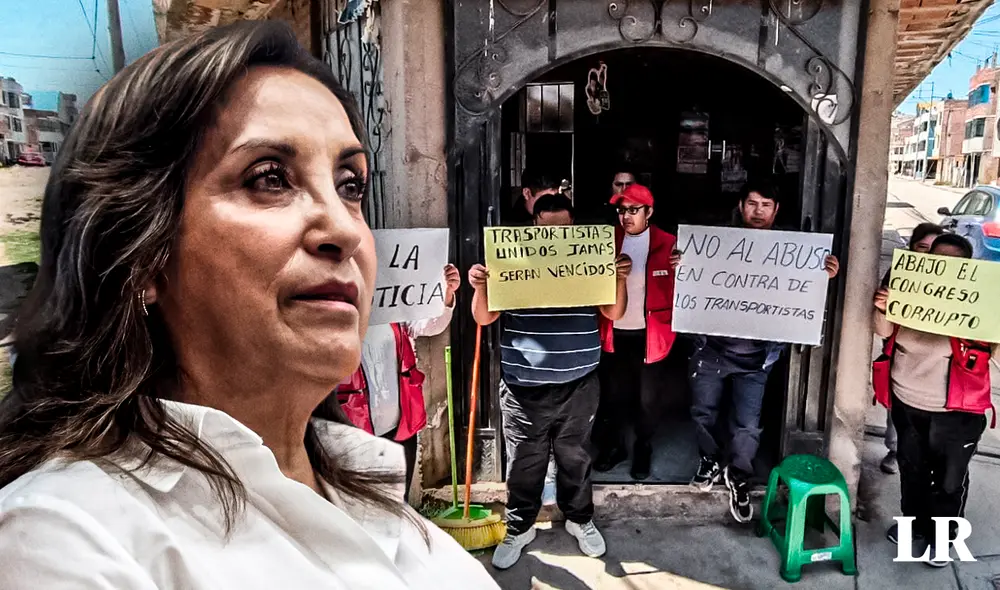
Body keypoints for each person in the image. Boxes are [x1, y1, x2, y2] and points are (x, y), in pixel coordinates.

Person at [0, 22, 497, 589]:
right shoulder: (63, 536)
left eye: (350, 185)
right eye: (269, 178)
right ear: (141, 256)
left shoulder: (371, 487)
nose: (344, 229)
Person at [469, 193, 630, 570]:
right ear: (534, 226)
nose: (556, 237)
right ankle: (519, 527)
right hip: (523, 388)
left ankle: (579, 519)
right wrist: (481, 286)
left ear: (573, 226)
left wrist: (619, 278)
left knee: (576, 456)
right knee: (524, 461)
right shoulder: (512, 261)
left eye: (563, 229)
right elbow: (483, 318)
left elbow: (614, 312)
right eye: (547, 230)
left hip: (580, 384)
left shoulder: (588, 260)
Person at [684, 181, 840, 524]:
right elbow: (692, 281)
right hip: (711, 349)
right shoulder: (715, 244)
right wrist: (682, 263)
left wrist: (822, 277)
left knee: (747, 424)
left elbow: (803, 295)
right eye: (752, 203)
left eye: (765, 205)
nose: (758, 211)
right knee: (703, 412)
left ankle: (738, 474)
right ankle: (709, 460)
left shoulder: (794, 253)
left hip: (757, 358)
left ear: (776, 210)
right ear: (741, 206)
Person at [873, 233, 996, 567]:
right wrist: (883, 306)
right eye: (936, 260)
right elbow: (882, 331)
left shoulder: (981, 301)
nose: (942, 268)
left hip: (956, 411)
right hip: (906, 399)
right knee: (911, 470)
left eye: (953, 264)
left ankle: (942, 539)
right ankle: (913, 525)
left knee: (949, 480)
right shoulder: (906, 287)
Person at [338, 264, 461, 501]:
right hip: (355, 428)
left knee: (396, 500)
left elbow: (429, 325)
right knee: (360, 503)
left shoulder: (392, 308)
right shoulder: (337, 315)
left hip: (399, 425)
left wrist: (446, 294)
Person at [594, 184, 681, 479]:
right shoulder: (606, 241)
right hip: (614, 332)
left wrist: (682, 267)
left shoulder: (670, 244)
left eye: (634, 210)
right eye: (622, 210)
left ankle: (643, 445)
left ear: (649, 212)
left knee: (648, 398)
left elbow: (688, 287)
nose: (626, 216)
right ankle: (615, 447)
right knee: (614, 395)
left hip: (652, 336)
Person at [876, 222, 944, 475]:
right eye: (922, 247)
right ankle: (895, 450)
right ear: (912, 248)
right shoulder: (899, 273)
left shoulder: (958, 284)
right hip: (902, 357)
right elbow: (882, 326)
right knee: (898, 409)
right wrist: (883, 306)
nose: (929, 254)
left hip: (941, 367)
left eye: (935, 249)